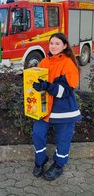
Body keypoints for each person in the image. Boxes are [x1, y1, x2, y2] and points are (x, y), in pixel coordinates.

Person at [32, 32, 82, 181]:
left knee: (62, 139)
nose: (53, 46)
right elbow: (37, 82)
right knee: (37, 134)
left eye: (57, 44)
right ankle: (40, 161)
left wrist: (47, 86)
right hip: (44, 109)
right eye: (51, 43)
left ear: (64, 46)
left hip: (64, 110)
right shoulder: (44, 62)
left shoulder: (68, 63)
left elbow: (65, 91)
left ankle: (59, 165)